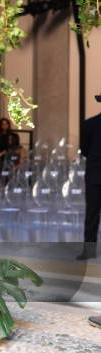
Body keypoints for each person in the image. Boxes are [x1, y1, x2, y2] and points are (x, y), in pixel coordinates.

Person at [78, 93, 101, 262]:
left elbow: (85, 150)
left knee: (92, 214)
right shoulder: (89, 124)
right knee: (92, 214)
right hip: (94, 176)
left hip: (94, 175)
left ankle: (89, 251)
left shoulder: (89, 124)